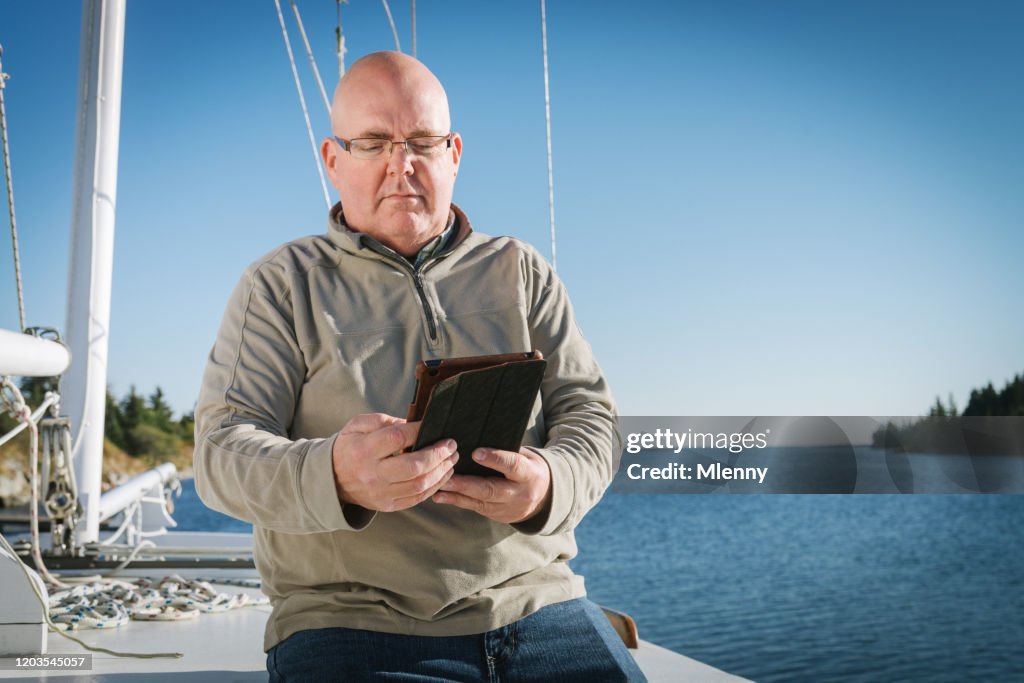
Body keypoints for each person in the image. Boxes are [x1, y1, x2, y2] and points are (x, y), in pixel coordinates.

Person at [193, 51, 644, 682]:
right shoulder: (279, 286)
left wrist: (548, 483)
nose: (400, 165)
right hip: (348, 622)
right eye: (373, 142)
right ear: (332, 160)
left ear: (454, 154)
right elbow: (220, 453)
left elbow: (591, 417)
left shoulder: (522, 271)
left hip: (541, 604)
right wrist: (334, 475)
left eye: (422, 143)